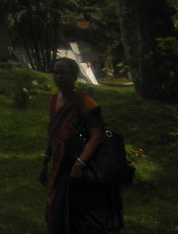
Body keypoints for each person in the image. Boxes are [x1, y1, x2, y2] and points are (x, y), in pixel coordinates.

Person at [39, 57, 124, 234]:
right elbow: (53, 132)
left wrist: (79, 164)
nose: (59, 77)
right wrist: (45, 161)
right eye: (56, 72)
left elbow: (96, 137)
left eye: (64, 73)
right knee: (58, 207)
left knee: (85, 213)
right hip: (60, 163)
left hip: (81, 165)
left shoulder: (86, 104)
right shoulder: (54, 100)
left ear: (74, 76)